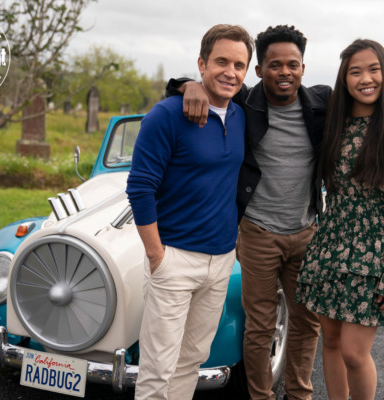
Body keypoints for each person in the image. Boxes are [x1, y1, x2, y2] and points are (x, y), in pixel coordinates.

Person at [167, 25, 384, 400]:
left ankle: (299, 395)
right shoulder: (245, 103)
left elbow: (368, 100)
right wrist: (188, 85)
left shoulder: (321, 104)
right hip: (258, 233)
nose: (285, 72)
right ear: (259, 70)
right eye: (275, 65)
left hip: (308, 234)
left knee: (307, 324)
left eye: (293, 64)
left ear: (303, 67)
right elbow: (201, 87)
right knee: (260, 326)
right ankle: (261, 396)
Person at [126, 24, 253, 400]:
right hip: (174, 258)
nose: (230, 72)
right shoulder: (167, 115)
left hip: (221, 261)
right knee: (158, 367)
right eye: (221, 62)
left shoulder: (241, 114)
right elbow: (140, 187)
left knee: (192, 360)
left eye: (239, 65)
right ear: (202, 63)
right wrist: (156, 256)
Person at [295, 39, 384, 400]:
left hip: (373, 255)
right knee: (331, 343)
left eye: (374, 69)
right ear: (344, 78)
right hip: (330, 246)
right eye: (355, 71)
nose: (365, 78)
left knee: (354, 351)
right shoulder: (334, 124)